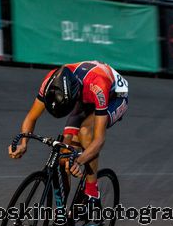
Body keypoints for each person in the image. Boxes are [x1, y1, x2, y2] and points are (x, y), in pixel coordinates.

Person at [8, 60, 128, 208]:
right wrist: (23, 143)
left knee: (86, 132)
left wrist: (79, 161)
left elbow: (99, 139)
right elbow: (31, 117)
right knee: (64, 156)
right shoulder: (51, 80)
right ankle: (61, 215)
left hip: (114, 96)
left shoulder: (98, 85)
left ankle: (92, 192)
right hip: (83, 94)